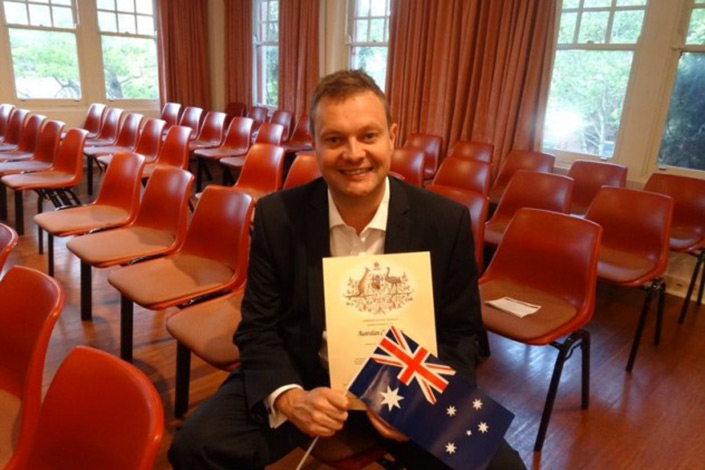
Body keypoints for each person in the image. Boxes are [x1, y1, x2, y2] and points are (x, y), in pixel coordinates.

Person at [169, 70, 525, 469]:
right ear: (314, 145)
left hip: (406, 386)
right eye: (335, 139)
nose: (354, 154)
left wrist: (420, 399)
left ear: (392, 136)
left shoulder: (445, 222)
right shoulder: (277, 216)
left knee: (502, 468)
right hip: (306, 375)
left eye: (368, 136)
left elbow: (463, 334)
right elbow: (258, 326)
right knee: (194, 447)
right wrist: (289, 397)